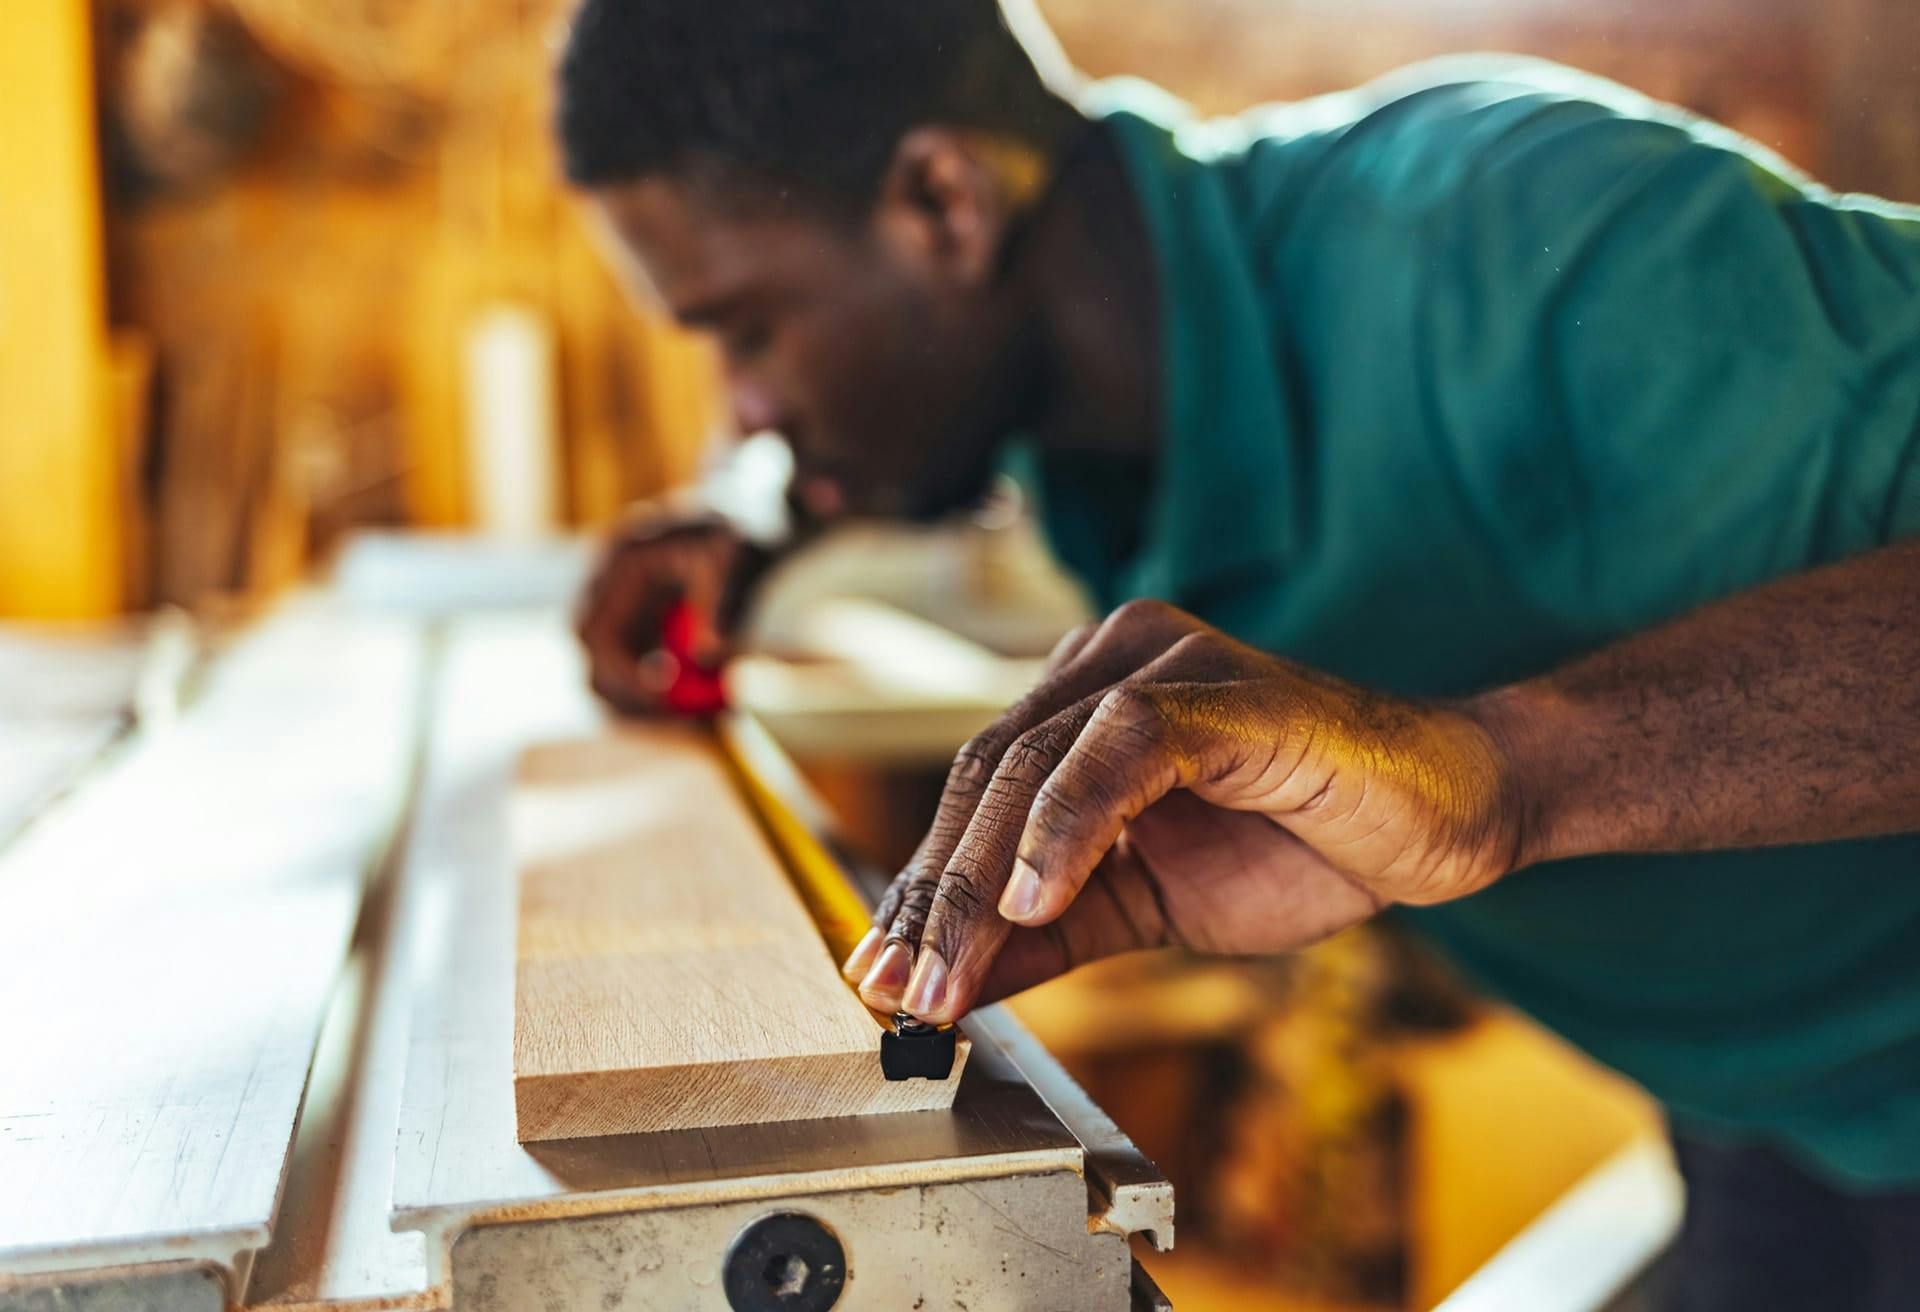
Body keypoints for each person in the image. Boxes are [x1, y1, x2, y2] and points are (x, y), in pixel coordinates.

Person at [556, 2, 1920, 1305]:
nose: (743, 410)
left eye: (746, 330)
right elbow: (879, 433)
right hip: (1768, 1118)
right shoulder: (1076, 418)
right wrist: (760, 517)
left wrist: (1502, 769)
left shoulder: (1518, 230)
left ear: (943, 207)